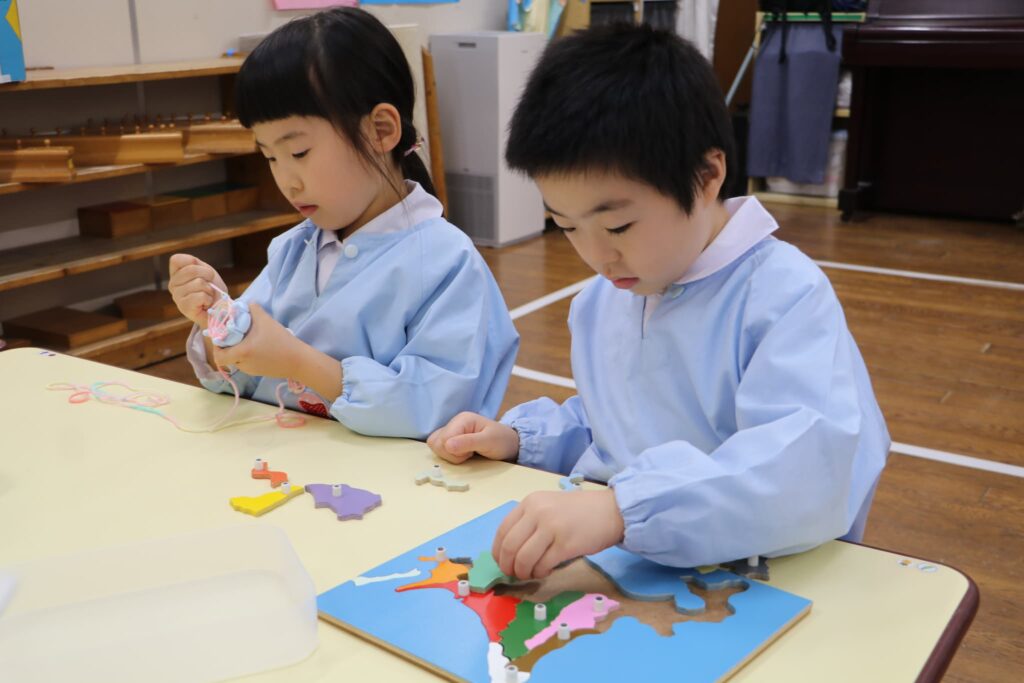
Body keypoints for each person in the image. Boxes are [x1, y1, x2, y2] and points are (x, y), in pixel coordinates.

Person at [428, 23, 889, 578]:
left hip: (768, 576)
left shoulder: (784, 295)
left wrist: (624, 509)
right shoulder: (604, 300)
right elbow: (617, 425)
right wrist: (524, 440)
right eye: (567, 226)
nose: (598, 257)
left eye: (618, 226)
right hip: (645, 564)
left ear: (706, 176)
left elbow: (805, 467)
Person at [169, 8, 518, 439]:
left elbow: (440, 411)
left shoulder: (449, 262)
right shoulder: (293, 250)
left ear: (381, 130)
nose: (287, 181)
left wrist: (299, 361)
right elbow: (241, 376)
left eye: (299, 153)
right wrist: (217, 321)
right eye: (270, 157)